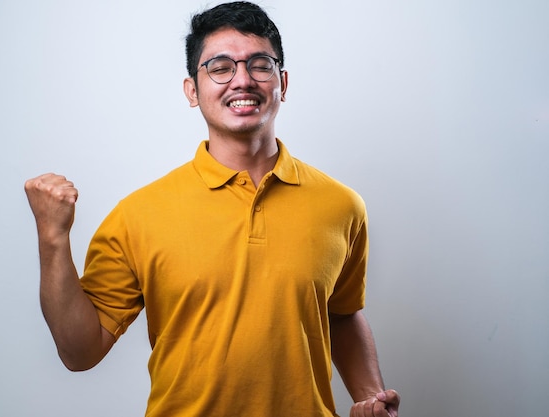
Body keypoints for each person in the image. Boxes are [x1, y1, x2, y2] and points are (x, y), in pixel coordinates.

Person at [24, 2, 400, 416]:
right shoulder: (138, 215)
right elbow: (80, 352)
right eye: (221, 67)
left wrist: (371, 396)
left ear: (283, 82)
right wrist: (52, 239)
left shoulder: (342, 206)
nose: (243, 80)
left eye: (260, 65)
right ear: (192, 90)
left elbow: (342, 314)